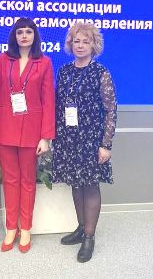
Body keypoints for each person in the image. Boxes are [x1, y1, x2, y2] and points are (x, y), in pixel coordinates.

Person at [0, 17, 55, 253]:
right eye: (20, 32)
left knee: (27, 181)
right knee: (10, 180)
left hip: (32, 131)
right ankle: (10, 229)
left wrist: (45, 136)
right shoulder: (3, 60)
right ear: (14, 36)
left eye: (28, 32)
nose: (24, 36)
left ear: (35, 36)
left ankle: (25, 229)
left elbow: (48, 101)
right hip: (5, 128)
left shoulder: (44, 63)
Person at [53, 22, 117, 263]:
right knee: (75, 184)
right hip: (68, 139)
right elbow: (59, 106)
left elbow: (110, 110)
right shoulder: (64, 71)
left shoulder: (101, 72)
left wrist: (106, 144)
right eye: (76, 41)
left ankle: (89, 236)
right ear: (70, 44)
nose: (80, 45)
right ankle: (81, 227)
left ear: (94, 45)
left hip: (91, 139)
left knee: (90, 186)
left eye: (85, 41)